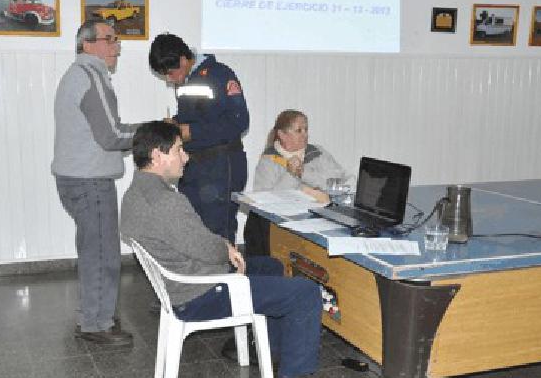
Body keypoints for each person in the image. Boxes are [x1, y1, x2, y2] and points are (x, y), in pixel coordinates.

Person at [121, 121, 337, 378]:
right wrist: (225, 251)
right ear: (157, 155)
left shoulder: (135, 194)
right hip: (201, 292)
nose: (186, 157)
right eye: (179, 150)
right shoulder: (165, 202)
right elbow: (207, 251)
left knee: (271, 267)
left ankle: (270, 352)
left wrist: (222, 249)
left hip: (180, 283)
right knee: (305, 292)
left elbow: (192, 241)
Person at [50, 19, 143, 346]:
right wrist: (155, 131)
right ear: (88, 44)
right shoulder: (91, 78)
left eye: (116, 40)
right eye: (110, 39)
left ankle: (94, 313)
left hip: (74, 179)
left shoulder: (75, 75)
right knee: (102, 254)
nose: (117, 46)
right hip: (90, 182)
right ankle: (96, 324)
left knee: (93, 251)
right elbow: (112, 135)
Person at [148, 33, 249, 243]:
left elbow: (239, 122)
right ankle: (200, 276)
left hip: (222, 166)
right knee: (194, 231)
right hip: (194, 167)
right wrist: (174, 125)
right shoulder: (186, 80)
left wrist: (191, 132)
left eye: (171, 73)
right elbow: (194, 118)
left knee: (217, 236)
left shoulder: (220, 74)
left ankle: (224, 277)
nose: (170, 79)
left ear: (184, 60)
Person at [243, 109, 350, 257]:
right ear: (282, 135)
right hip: (281, 225)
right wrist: (291, 174)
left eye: (306, 129)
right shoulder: (269, 160)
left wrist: (303, 173)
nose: (305, 134)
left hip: (320, 218)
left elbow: (337, 181)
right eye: (299, 130)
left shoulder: (317, 152)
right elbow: (266, 200)